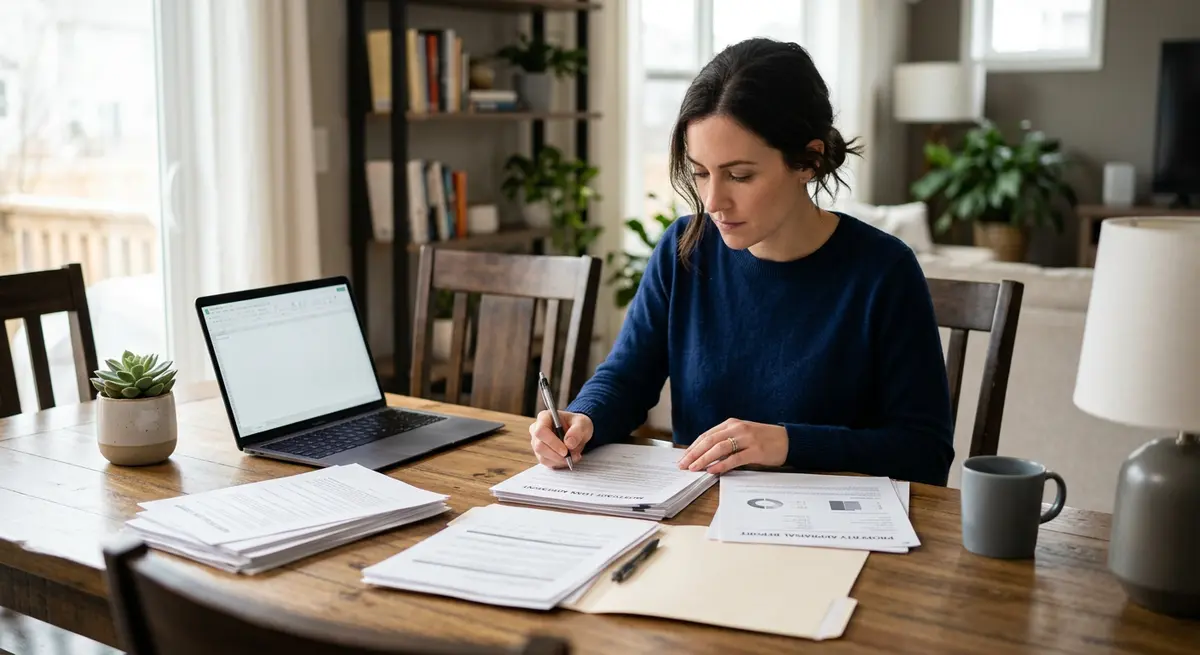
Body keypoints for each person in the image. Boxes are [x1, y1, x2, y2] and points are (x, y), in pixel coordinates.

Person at [528, 38, 955, 486]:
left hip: (835, 535)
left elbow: (924, 451)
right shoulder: (684, 248)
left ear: (809, 160)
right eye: (699, 172)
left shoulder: (884, 271)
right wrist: (583, 419)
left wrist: (788, 443)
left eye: (740, 175)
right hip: (699, 519)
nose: (713, 201)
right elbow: (627, 378)